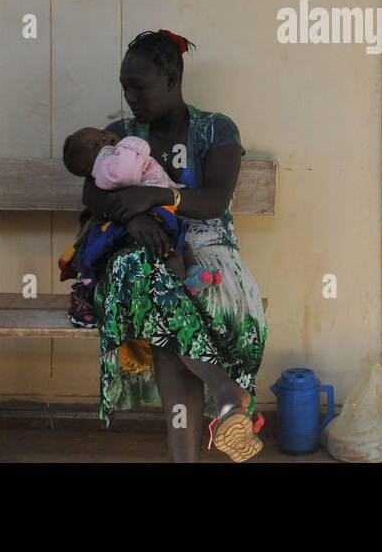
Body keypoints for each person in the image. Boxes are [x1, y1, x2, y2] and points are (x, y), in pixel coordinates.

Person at [83, 29, 267, 462]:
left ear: (171, 78)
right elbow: (93, 195)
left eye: (139, 85)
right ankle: (225, 393)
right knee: (142, 273)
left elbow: (215, 200)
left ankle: (184, 453)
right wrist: (136, 218)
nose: (131, 96)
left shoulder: (215, 129)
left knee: (160, 311)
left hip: (210, 256)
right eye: (125, 86)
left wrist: (158, 197)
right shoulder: (117, 135)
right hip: (138, 255)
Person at [60, 130, 220, 326]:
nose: (104, 139)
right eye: (96, 145)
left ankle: (192, 274)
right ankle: (181, 294)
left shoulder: (112, 155)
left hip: (159, 211)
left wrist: (160, 197)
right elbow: (121, 175)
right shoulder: (111, 163)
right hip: (141, 220)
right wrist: (129, 144)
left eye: (102, 134)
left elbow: (216, 201)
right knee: (168, 246)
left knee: (179, 243)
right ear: (90, 166)